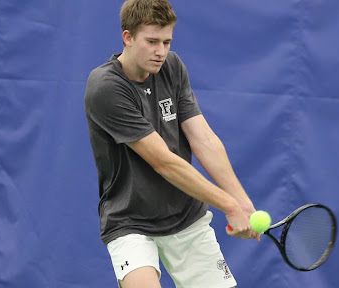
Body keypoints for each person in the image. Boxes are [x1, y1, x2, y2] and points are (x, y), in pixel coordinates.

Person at [84, 0, 260, 287]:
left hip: (185, 217)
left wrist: (241, 201)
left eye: (166, 42)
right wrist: (228, 205)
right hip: (130, 221)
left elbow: (203, 139)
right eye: (151, 41)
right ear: (127, 37)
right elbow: (163, 162)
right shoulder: (105, 86)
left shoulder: (172, 66)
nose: (160, 52)